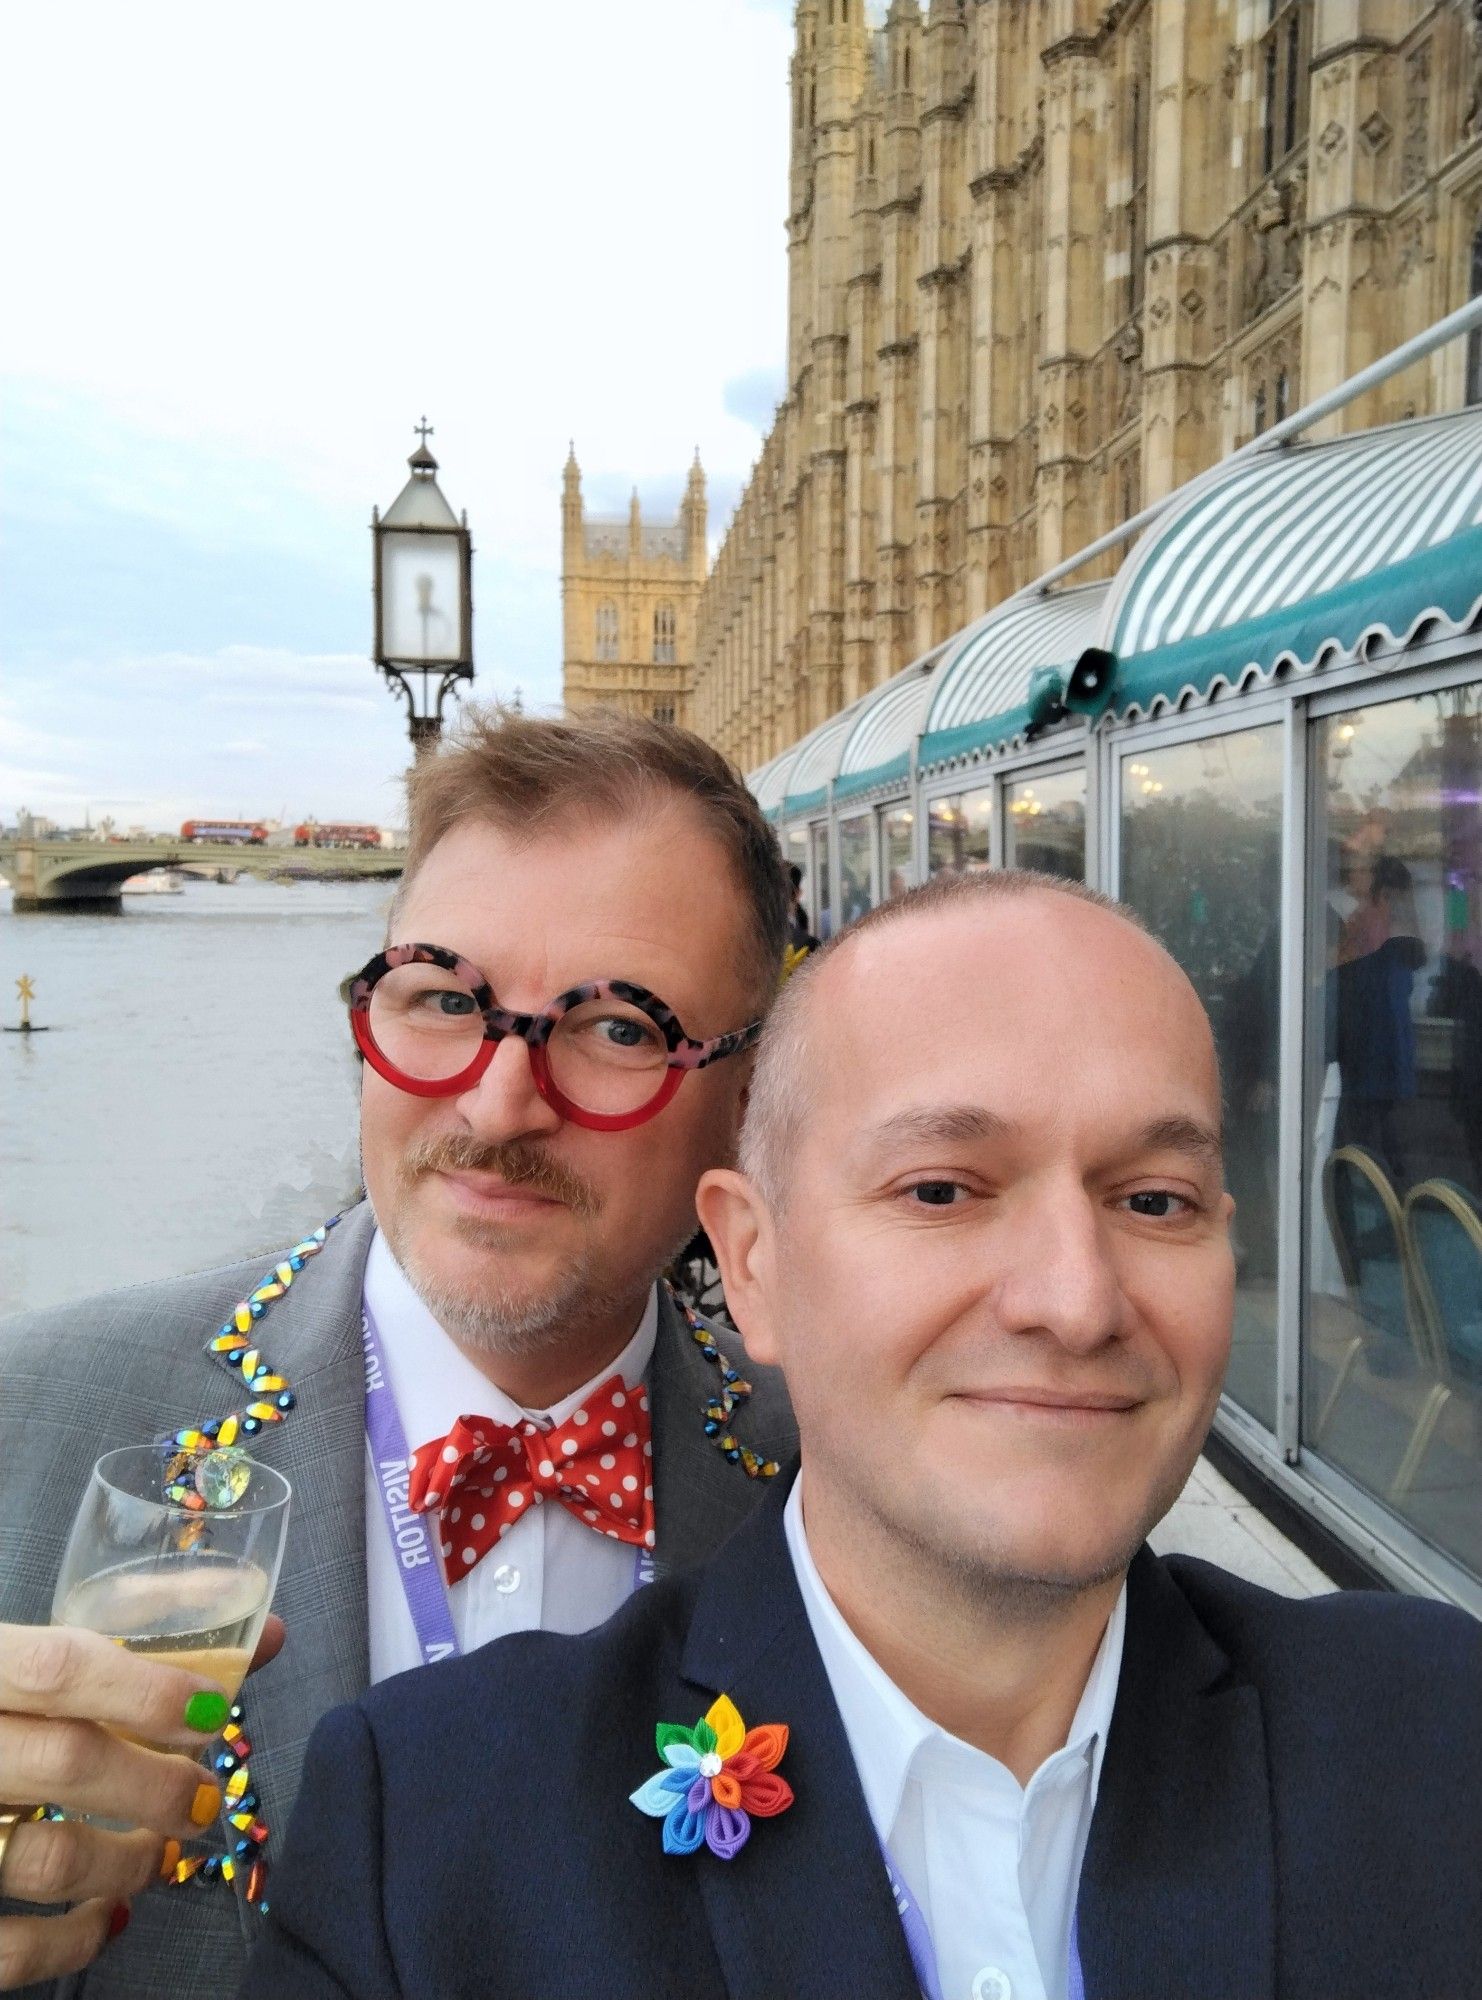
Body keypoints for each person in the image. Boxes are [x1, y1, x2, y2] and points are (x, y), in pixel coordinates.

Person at [245, 869, 1479, 2000]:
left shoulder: (1435, 1731)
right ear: (753, 1260)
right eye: (941, 1189)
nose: (1077, 1297)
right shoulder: (426, 1833)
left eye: (1152, 1200)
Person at [0, 710, 796, 1996]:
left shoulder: (834, 1473)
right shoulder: (30, 1416)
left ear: (752, 1099)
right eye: (440, 999)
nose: (495, 1101)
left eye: (617, 1027)